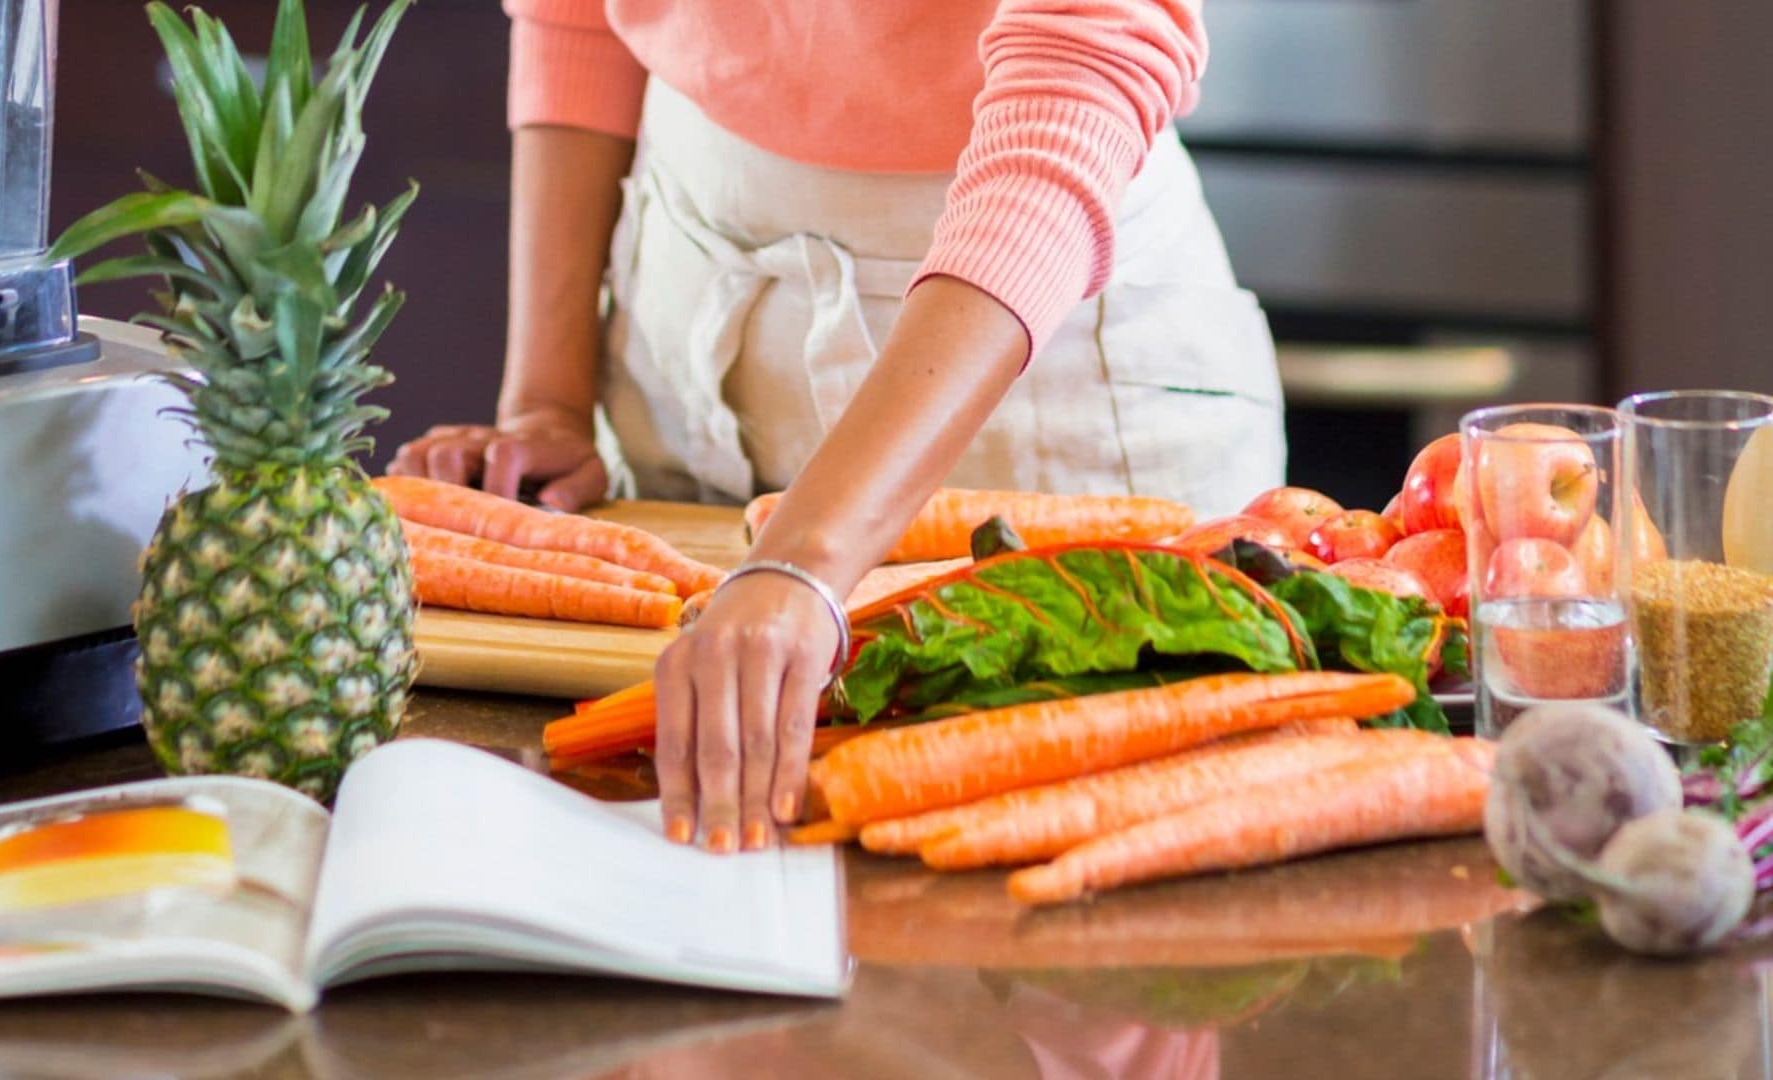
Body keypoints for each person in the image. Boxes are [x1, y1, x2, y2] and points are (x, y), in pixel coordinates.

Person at [388, 0, 1284, 854]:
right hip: (690, 293)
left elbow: (1079, 69)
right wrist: (547, 399)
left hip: (1030, 346)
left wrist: (798, 562)